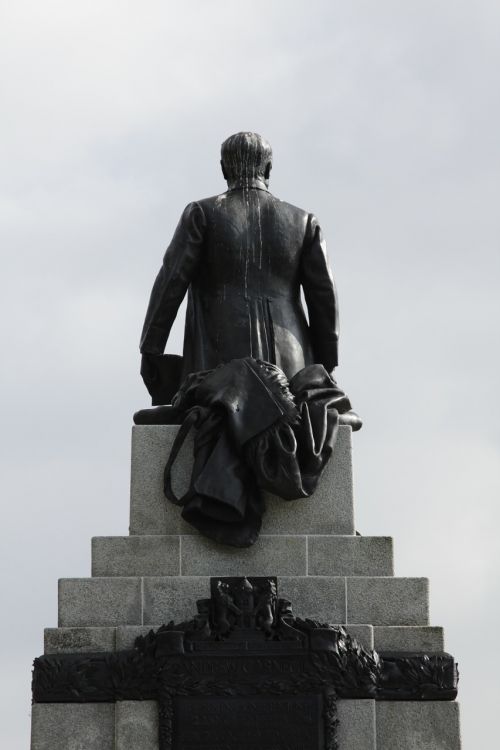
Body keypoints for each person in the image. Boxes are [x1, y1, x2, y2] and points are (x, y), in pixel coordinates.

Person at [139, 131, 343, 404]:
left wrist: (151, 349)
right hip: (292, 366)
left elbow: (170, 283)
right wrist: (326, 365)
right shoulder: (303, 222)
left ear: (224, 169)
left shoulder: (202, 213)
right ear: (268, 168)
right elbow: (324, 301)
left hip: (218, 363)